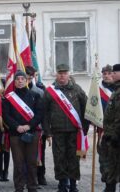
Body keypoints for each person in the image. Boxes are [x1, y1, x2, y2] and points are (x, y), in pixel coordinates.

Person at [43, 64, 89, 192]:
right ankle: (62, 185)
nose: (62, 75)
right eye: (59, 73)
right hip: (57, 132)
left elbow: (86, 109)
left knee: (74, 159)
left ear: (69, 74)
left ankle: (73, 185)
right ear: (56, 75)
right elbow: (44, 113)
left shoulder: (77, 89)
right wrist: (47, 132)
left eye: (64, 73)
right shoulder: (49, 91)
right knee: (59, 159)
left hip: (74, 131)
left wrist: (84, 129)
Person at [3, 70, 43, 192]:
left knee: (31, 163)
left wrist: (28, 126)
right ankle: (19, 187)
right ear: (14, 82)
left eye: (22, 79)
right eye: (17, 79)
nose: (20, 81)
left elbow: (39, 114)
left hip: (32, 133)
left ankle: (32, 187)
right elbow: (6, 115)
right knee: (18, 163)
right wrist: (17, 127)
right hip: (15, 134)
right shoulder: (9, 98)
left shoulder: (35, 95)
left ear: (27, 81)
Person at [25, 66, 47, 186]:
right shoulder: (17, 92)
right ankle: (26, 178)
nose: (27, 78)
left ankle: (41, 176)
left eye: (30, 76)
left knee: (39, 154)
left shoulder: (39, 92)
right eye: (26, 76)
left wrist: (45, 130)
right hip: (23, 128)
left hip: (38, 128)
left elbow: (43, 113)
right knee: (25, 156)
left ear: (33, 77)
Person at [101, 64, 120, 192]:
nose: (111, 75)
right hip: (110, 136)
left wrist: (115, 135)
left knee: (113, 168)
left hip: (116, 138)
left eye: (114, 73)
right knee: (110, 168)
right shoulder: (116, 90)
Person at [97, 64, 115, 191]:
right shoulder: (97, 91)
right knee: (105, 160)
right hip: (103, 131)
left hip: (117, 130)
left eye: (109, 73)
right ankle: (109, 186)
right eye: (105, 74)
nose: (107, 76)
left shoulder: (117, 90)